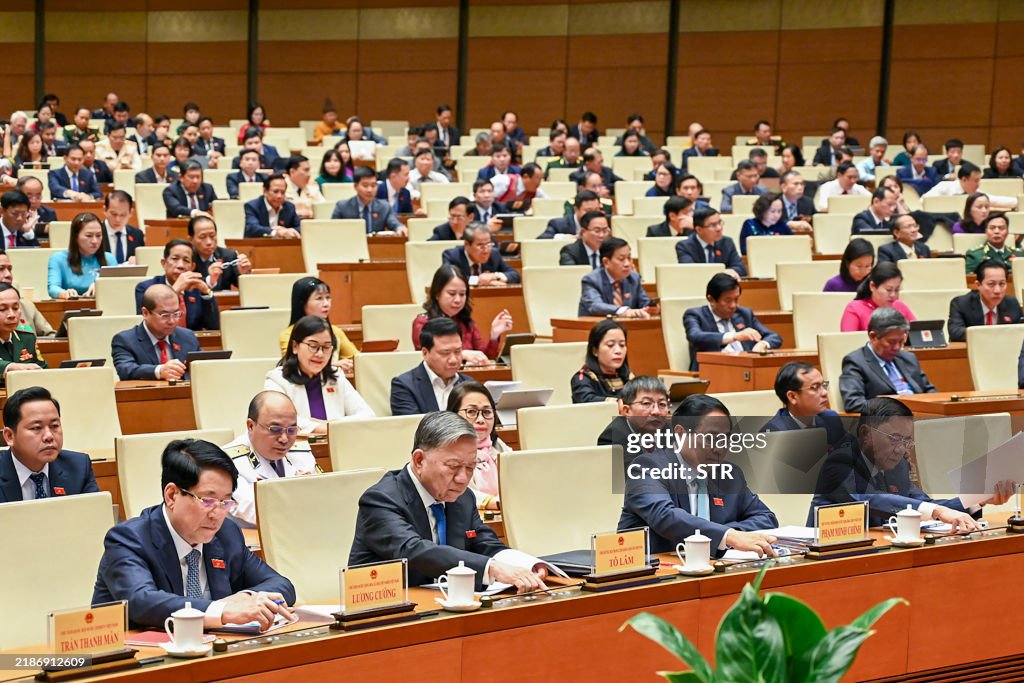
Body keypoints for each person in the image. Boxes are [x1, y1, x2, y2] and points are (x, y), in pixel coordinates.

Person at [92, 438, 296, 629]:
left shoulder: (227, 534)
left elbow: (282, 586)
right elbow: (142, 602)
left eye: (225, 502)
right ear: (172, 495)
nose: (217, 514)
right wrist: (222, 611)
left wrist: (247, 599)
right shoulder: (129, 539)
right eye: (207, 500)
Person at [348, 411, 549, 591]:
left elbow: (485, 544)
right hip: (386, 614)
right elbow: (413, 550)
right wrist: (492, 568)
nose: (463, 478)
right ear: (419, 460)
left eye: (470, 467)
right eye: (453, 466)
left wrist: (528, 566)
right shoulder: (381, 500)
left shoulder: (463, 498)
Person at [810, 397, 1011, 528]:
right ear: (866, 434)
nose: (901, 449)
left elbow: (924, 504)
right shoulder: (838, 462)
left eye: (906, 440)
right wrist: (938, 511)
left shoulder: (897, 465)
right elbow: (871, 500)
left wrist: (976, 499)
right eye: (895, 438)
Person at [618, 394, 779, 556]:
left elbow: (766, 517)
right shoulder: (647, 467)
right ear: (680, 434)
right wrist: (728, 536)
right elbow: (665, 516)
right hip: (657, 573)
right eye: (711, 438)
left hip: (717, 570)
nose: (720, 448)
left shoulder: (729, 473)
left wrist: (727, 535)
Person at [222, 391, 322, 522]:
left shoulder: (301, 454)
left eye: (291, 430)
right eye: (275, 429)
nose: (284, 439)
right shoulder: (227, 461)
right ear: (251, 426)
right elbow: (255, 512)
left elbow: (322, 499)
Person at [265, 316, 374, 435]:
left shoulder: (336, 376)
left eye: (326, 347)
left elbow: (367, 415)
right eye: (313, 346)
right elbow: (279, 420)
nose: (320, 354)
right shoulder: (277, 380)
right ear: (295, 346)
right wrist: (323, 427)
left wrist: (330, 424)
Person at [0, 386, 97, 502]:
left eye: (54, 426)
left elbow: (100, 515)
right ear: (10, 436)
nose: (49, 436)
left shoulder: (78, 467)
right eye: (36, 428)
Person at [838, 308, 935, 413]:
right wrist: (895, 408)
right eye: (892, 342)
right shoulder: (856, 362)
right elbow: (853, 403)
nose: (897, 347)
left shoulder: (909, 358)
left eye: (901, 341)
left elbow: (930, 391)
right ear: (873, 336)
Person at [683, 273, 782, 371]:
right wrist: (734, 336)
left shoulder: (744, 314)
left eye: (736, 299)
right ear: (711, 299)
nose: (733, 305)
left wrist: (763, 344)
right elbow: (695, 336)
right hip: (713, 372)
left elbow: (774, 337)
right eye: (728, 300)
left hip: (746, 369)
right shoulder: (695, 315)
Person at [413, 265, 511, 363]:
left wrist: (494, 334)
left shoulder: (466, 323)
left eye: (462, 294)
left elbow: (485, 358)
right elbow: (426, 358)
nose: (458, 300)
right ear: (437, 294)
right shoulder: (423, 323)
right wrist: (462, 354)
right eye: (452, 293)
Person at [114, 284, 201, 381]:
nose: (172, 321)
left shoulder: (187, 337)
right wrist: (160, 371)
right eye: (165, 315)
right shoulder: (125, 340)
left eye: (176, 314)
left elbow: (203, 366)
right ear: (145, 313)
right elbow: (126, 369)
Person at [391, 317, 473, 416]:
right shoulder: (404, 386)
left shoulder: (470, 384)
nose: (453, 360)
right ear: (425, 353)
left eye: (458, 351)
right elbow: (412, 427)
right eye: (445, 353)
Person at [445, 382, 508, 510]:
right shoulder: (444, 450)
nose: (481, 419)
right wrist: (491, 502)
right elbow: (451, 490)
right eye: (471, 412)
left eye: (486, 412)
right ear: (453, 415)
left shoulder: (499, 446)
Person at [134, 239, 219, 329]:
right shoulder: (146, 288)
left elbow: (214, 326)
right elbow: (146, 324)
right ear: (164, 263)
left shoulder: (195, 288)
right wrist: (175, 290)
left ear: (192, 267)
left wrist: (206, 293)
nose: (180, 265)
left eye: (186, 261)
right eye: (175, 259)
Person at [278, 276, 359, 370]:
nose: (326, 304)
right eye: (319, 298)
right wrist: (334, 365)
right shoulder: (288, 334)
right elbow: (296, 363)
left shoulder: (336, 331)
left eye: (328, 298)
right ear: (302, 303)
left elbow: (356, 358)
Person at [761, 362, 848, 446]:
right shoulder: (773, 434)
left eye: (824, 385)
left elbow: (851, 455)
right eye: (815, 387)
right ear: (792, 397)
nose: (824, 393)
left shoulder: (831, 419)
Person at [596, 376, 670, 467]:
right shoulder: (612, 437)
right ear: (627, 410)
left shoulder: (669, 430)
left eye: (662, 404)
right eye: (646, 403)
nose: (656, 412)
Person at [948, 260, 1023, 342]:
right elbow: (955, 332)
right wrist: (992, 334)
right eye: (991, 284)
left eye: (1002, 284)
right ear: (978, 285)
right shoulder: (961, 304)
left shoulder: (1012, 303)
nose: (997, 290)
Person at [578, 237, 652, 318]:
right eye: (621, 259)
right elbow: (595, 306)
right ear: (606, 262)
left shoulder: (633, 278)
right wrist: (622, 311)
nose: (627, 264)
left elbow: (644, 302)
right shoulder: (591, 280)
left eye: (629, 258)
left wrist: (651, 308)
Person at [47, 212, 114, 299]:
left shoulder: (109, 258)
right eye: (89, 236)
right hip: (71, 308)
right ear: (75, 237)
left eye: (98, 235)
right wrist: (64, 293)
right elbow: (52, 288)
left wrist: (102, 286)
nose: (95, 241)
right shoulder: (58, 259)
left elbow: (116, 286)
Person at [840, 262, 916, 332]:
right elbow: (848, 341)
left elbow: (917, 334)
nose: (893, 295)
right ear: (872, 286)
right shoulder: (854, 308)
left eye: (897, 290)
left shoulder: (899, 306)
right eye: (888, 290)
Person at [571, 319, 633, 403]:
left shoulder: (628, 377)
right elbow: (585, 400)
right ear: (595, 350)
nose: (618, 351)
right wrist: (615, 402)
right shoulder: (584, 378)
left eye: (622, 345)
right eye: (610, 345)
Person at [331, 166, 405, 235]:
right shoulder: (342, 207)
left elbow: (393, 222)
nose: (370, 190)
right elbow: (332, 229)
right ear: (355, 187)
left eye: (373, 185)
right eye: (365, 185)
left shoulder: (384, 206)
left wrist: (400, 227)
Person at [676, 206, 747, 278]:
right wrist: (722, 273)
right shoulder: (684, 246)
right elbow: (691, 272)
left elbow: (740, 269)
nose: (719, 228)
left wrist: (730, 271)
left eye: (719, 222)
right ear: (699, 230)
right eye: (713, 225)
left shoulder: (727, 242)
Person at [441, 223, 520, 284]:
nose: (486, 251)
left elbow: (515, 275)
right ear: (467, 244)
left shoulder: (494, 254)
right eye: (481, 246)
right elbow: (449, 278)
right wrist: (478, 280)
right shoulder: (452, 256)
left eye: (489, 244)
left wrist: (495, 276)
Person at [190, 215, 252, 292]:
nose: (209, 242)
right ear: (191, 239)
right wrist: (210, 279)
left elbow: (246, 289)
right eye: (202, 237)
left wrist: (245, 275)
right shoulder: (187, 259)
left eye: (212, 236)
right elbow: (189, 287)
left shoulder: (228, 256)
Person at [0, 283, 46, 380]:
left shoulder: (27, 337)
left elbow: (43, 369)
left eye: (15, 308)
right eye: (2, 309)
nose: (12, 315)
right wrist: (10, 367)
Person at [0, 251, 53, 335]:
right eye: (1, 269)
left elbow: (50, 335)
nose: (8, 274)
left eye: (9, 269)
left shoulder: (27, 306)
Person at [243, 173, 301, 238]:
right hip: (257, 245)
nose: (279, 196)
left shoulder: (289, 207)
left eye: (283, 192)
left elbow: (300, 228)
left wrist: (290, 230)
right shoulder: (252, 206)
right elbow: (252, 228)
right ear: (265, 191)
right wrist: (276, 232)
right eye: (276, 191)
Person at [102, 190, 145, 264]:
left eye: (123, 215)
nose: (118, 219)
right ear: (105, 210)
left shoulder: (137, 235)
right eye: (114, 214)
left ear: (131, 212)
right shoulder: (96, 233)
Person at [283, 155, 323, 220]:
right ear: (292, 172)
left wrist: (310, 214)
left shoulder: (313, 187)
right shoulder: (280, 187)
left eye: (309, 170)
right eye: (306, 170)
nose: (309, 174)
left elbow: (323, 210)